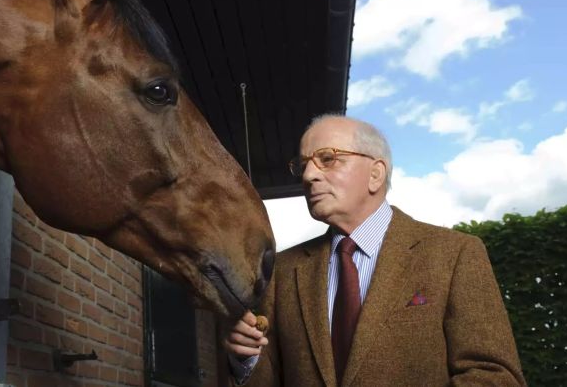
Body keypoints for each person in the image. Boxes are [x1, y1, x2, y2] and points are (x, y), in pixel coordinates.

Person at [224, 115, 525, 386]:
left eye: (327, 159)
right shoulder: (283, 271)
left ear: (376, 174)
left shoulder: (455, 253)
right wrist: (245, 360)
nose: (308, 176)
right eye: (303, 165)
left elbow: (495, 376)